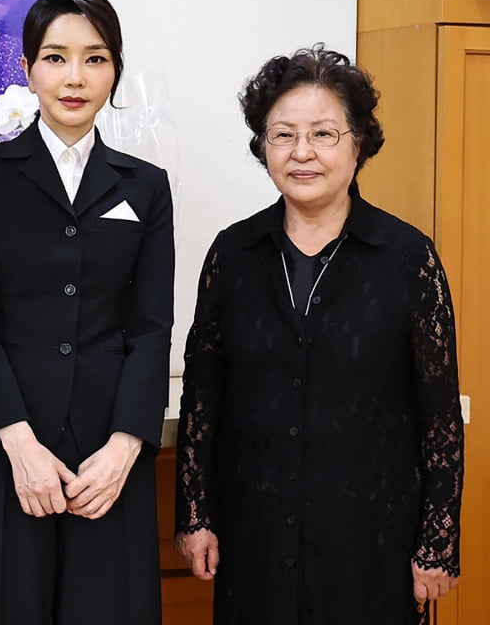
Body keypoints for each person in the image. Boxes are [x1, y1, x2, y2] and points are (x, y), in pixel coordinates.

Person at [174, 46, 463, 625]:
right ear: (264, 146)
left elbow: (438, 417)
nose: (301, 153)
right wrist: (196, 513)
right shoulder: (232, 255)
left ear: (359, 143)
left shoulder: (408, 258)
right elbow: (203, 397)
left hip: (372, 545)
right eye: (283, 135)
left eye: (324, 134)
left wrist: (437, 541)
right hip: (254, 539)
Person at [0, 0, 175, 625]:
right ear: (27, 69)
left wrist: (127, 445)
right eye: (56, 57)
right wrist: (20, 443)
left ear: (115, 71)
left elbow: (152, 327)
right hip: (2, 445)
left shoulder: (145, 187)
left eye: (96, 58)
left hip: (107, 459)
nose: (75, 77)